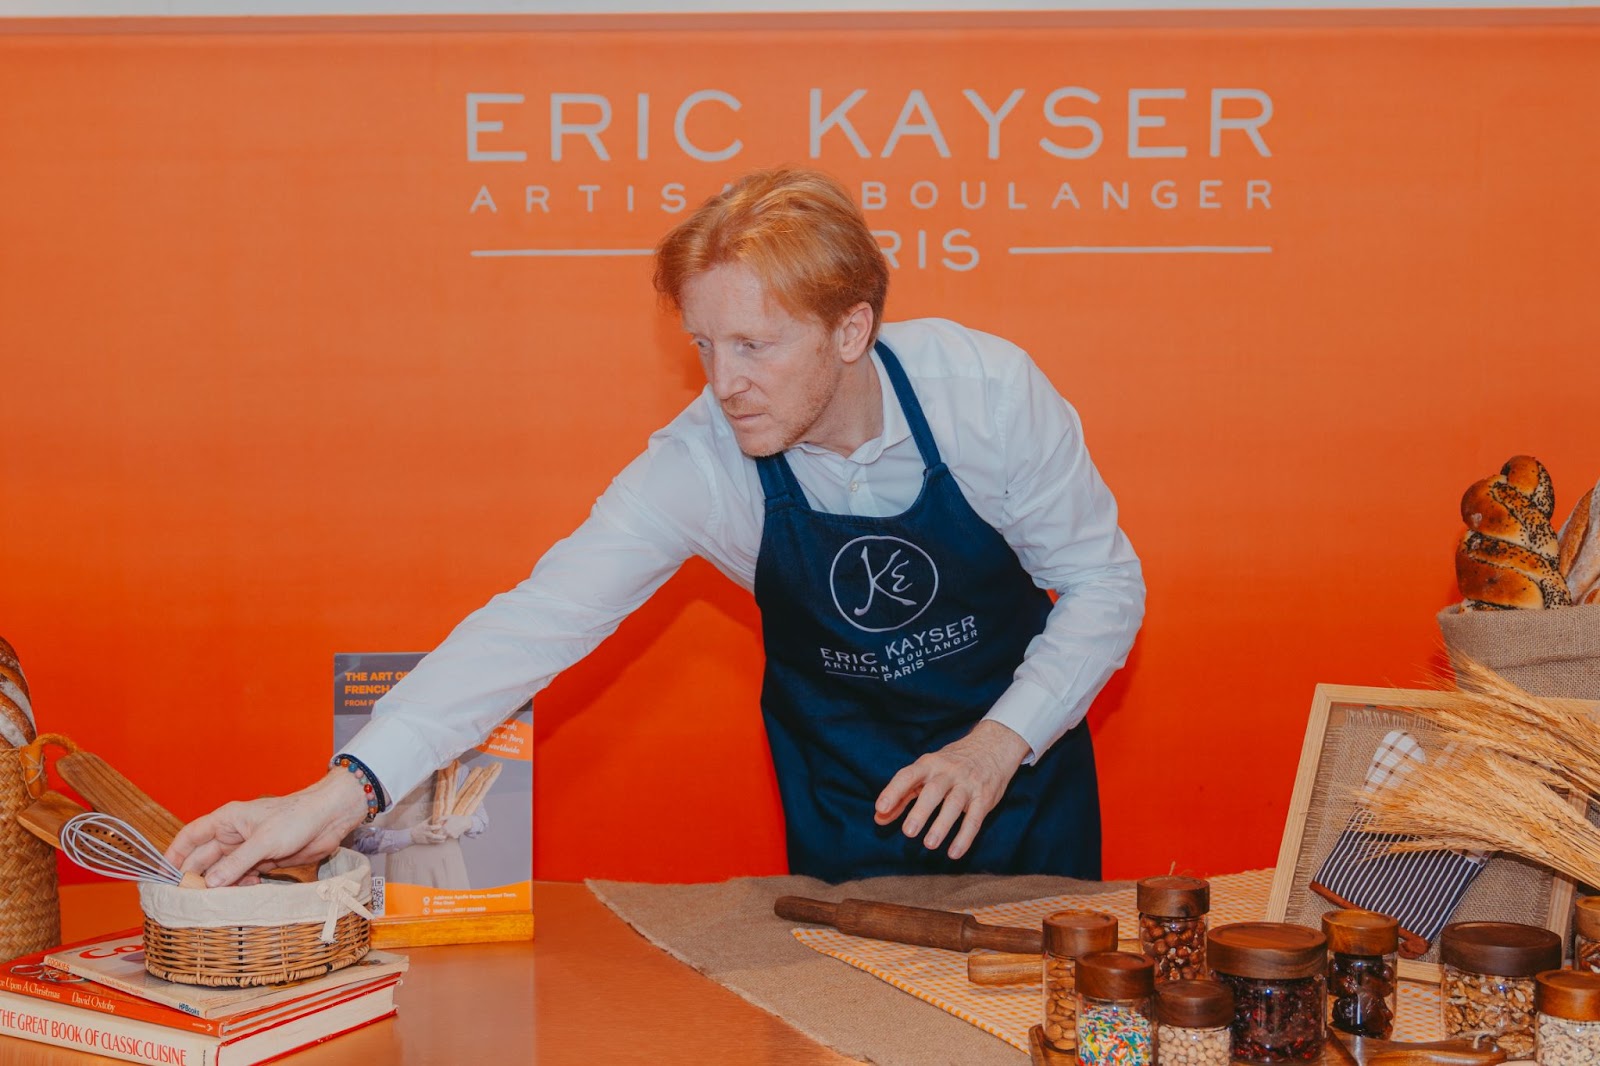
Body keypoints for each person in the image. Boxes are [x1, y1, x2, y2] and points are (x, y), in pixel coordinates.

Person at [168, 167, 1145, 887]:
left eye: (756, 346)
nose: (724, 385)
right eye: (704, 345)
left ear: (850, 330)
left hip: (1022, 775)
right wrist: (341, 793)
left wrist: (996, 742)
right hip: (850, 795)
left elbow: (1106, 586)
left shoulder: (985, 395)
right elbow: (530, 626)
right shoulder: (700, 465)